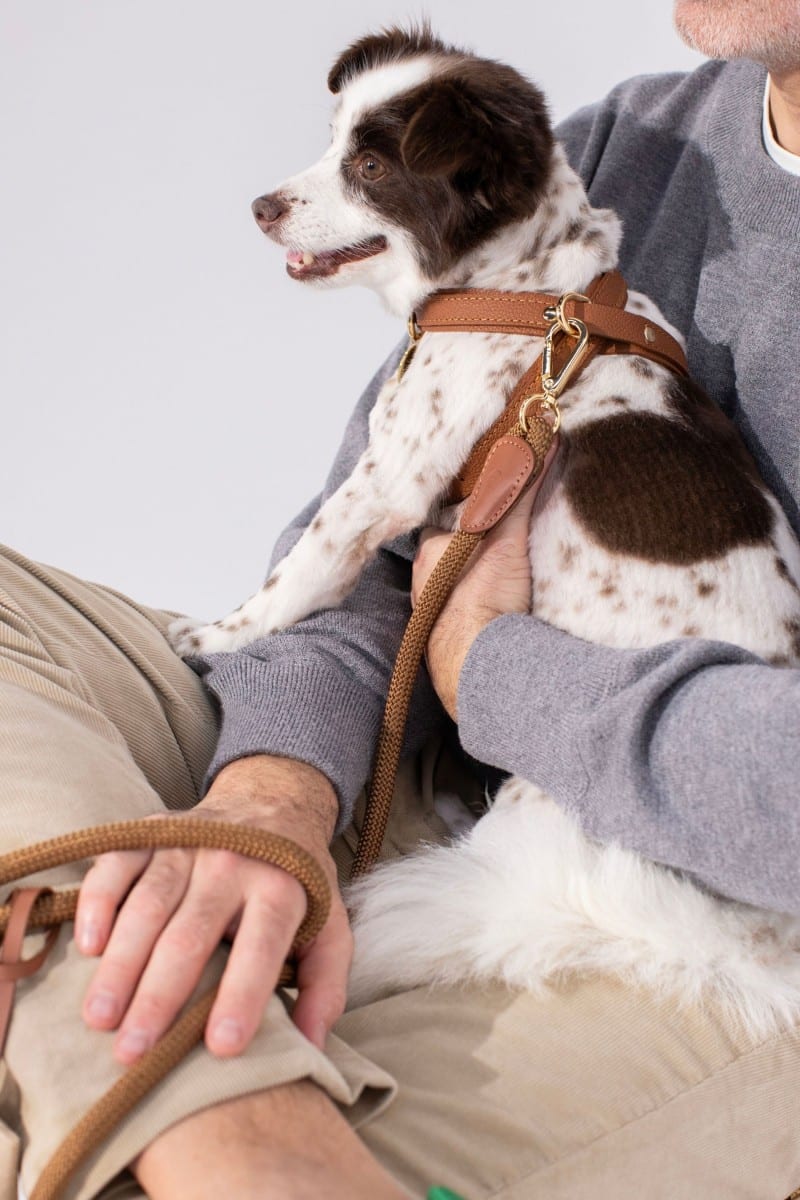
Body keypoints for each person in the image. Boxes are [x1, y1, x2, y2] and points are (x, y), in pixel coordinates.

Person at [4, 1, 800, 1197]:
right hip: (458, 790)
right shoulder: (626, 145)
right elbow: (382, 544)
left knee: (99, 1161)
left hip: (729, 929)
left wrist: (491, 668)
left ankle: (157, 1075)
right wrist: (273, 795)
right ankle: (237, 1118)